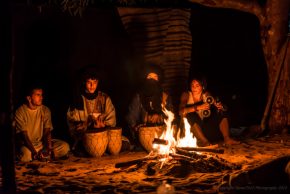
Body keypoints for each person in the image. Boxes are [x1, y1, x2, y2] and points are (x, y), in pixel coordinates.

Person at [66, 66, 120, 156]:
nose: (92, 86)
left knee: (122, 144)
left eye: (95, 82)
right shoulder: (77, 99)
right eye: (89, 82)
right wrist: (86, 125)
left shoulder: (104, 98)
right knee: (82, 150)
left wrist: (103, 126)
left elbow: (112, 121)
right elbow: (72, 125)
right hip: (85, 138)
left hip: (103, 136)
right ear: (84, 82)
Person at [179, 75, 240, 147]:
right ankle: (205, 142)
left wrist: (220, 106)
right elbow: (180, 111)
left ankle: (227, 139)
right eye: (192, 85)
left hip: (206, 129)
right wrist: (198, 107)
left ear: (203, 86)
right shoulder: (186, 95)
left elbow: (218, 104)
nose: (194, 88)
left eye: (197, 85)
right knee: (190, 115)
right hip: (193, 131)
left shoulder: (206, 94)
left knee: (221, 112)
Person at [13, 85, 70, 162]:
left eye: (41, 95)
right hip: (28, 145)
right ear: (29, 98)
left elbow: (47, 132)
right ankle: (41, 155)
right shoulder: (20, 112)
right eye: (38, 95)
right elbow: (24, 136)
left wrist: (47, 148)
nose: (41, 97)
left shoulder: (45, 110)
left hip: (42, 143)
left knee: (65, 147)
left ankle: (43, 155)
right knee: (25, 154)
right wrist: (33, 152)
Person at [126, 64, 174, 147]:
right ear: (145, 78)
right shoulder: (138, 97)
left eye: (155, 77)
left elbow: (171, 117)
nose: (152, 80)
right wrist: (139, 125)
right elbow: (131, 118)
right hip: (144, 135)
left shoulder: (165, 97)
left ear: (159, 79)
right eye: (149, 76)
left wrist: (159, 116)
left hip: (162, 133)